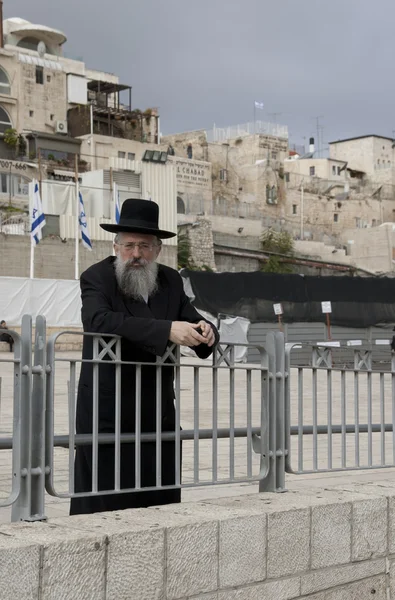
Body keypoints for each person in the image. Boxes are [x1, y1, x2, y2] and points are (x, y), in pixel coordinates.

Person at [70, 198, 219, 515]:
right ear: (116, 245)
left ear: (158, 249)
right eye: (129, 246)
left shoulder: (170, 280)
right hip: (108, 412)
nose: (136, 255)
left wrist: (207, 331)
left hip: (157, 411)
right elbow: (98, 320)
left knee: (158, 501)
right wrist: (166, 330)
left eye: (144, 246)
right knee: (106, 503)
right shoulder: (97, 277)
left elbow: (190, 320)